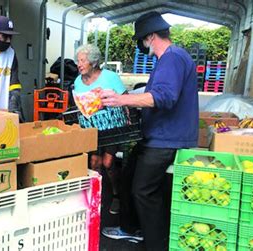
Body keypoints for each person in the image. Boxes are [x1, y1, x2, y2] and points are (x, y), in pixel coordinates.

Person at [100, 11, 199, 250]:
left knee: (144, 191)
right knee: (129, 176)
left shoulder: (172, 58)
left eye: (143, 40)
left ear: (151, 36)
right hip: (155, 136)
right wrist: (130, 99)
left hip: (166, 139)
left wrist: (121, 101)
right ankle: (129, 228)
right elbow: (153, 94)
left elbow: (164, 97)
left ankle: (157, 243)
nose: (143, 45)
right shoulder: (167, 60)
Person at [73, 44, 127, 229]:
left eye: (82, 60)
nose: (79, 64)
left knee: (108, 164)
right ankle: (95, 198)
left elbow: (125, 98)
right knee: (94, 164)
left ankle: (117, 195)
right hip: (91, 129)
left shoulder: (110, 77)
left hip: (111, 126)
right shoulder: (78, 81)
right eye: (78, 60)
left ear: (94, 62)